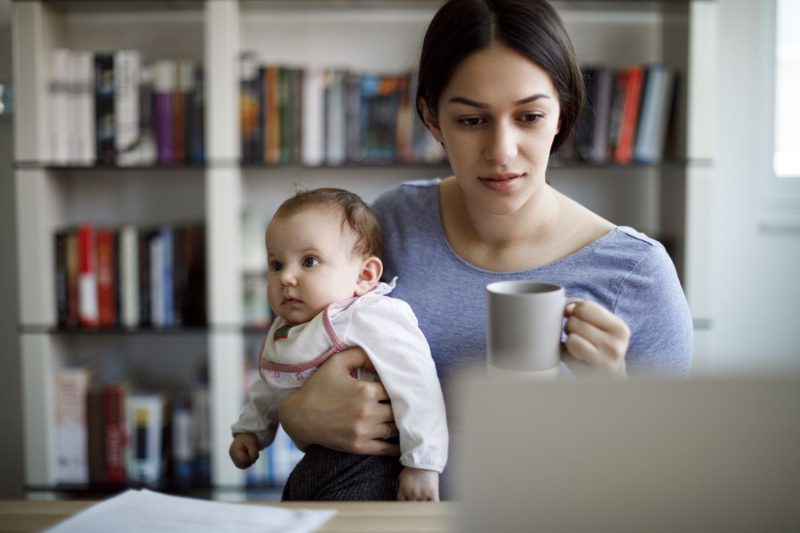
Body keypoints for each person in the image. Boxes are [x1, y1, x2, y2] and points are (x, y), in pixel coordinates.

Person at [278, 0, 694, 498]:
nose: (501, 151)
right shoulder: (390, 226)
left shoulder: (636, 273)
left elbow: (670, 485)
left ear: (561, 115)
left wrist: (612, 392)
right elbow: (298, 353)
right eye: (472, 120)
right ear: (432, 119)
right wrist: (296, 414)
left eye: (530, 116)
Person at [229, 188, 447, 501]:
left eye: (309, 261)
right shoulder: (286, 330)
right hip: (313, 466)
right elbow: (271, 383)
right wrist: (251, 430)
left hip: (372, 467)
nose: (286, 277)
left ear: (364, 275)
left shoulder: (369, 315)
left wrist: (422, 463)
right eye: (276, 265)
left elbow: (416, 383)